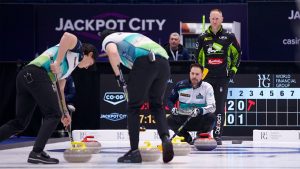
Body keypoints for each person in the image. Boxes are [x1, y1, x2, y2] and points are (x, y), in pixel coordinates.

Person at [0, 32, 98, 164]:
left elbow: (60, 91)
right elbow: (67, 36)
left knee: (20, 123)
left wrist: (64, 113)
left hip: (25, 76)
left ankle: (37, 151)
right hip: (37, 73)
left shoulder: (69, 68)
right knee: (53, 115)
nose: (86, 67)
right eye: (90, 64)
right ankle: (36, 152)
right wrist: (57, 62)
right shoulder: (78, 48)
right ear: (90, 54)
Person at [100, 29, 174, 163]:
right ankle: (165, 138)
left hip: (146, 61)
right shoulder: (130, 36)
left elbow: (112, 52)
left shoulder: (110, 38)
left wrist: (118, 77)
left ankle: (134, 152)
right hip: (164, 63)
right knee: (157, 106)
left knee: (133, 107)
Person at [196, 9, 241, 145]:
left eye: (217, 18)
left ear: (222, 19)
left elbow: (238, 54)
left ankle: (217, 135)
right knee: (205, 106)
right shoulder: (202, 37)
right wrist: (199, 74)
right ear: (209, 19)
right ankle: (203, 133)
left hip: (222, 77)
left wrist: (232, 70)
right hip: (207, 78)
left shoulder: (229, 36)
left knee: (220, 107)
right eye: (212, 18)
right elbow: (197, 58)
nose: (215, 21)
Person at [167, 63, 216, 144]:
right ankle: (186, 137)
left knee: (212, 117)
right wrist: (172, 108)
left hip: (199, 118)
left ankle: (200, 136)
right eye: (192, 73)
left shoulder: (207, 87)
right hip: (184, 118)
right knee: (169, 119)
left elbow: (212, 107)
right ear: (189, 73)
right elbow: (169, 100)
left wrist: (200, 110)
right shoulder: (180, 85)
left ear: (202, 75)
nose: (194, 76)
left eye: (197, 74)